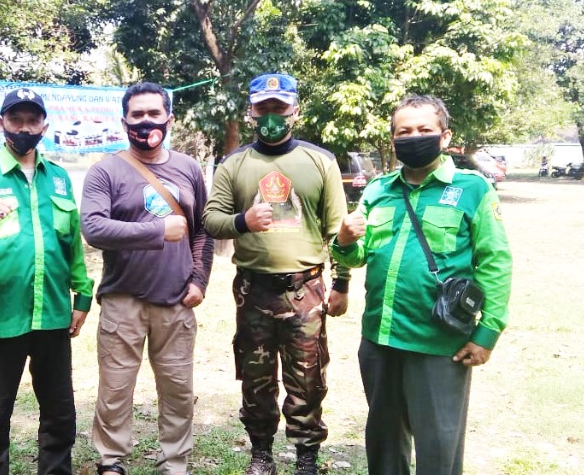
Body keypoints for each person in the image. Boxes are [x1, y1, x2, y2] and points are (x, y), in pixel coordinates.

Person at [331, 95, 512, 474]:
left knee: (439, 448)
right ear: (393, 139)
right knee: (383, 443)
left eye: (424, 130)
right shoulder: (378, 189)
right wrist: (344, 241)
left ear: (445, 137)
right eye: (404, 132)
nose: (414, 137)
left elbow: (495, 262)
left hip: (439, 343)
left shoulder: (472, 189)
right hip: (380, 339)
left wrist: (487, 332)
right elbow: (358, 255)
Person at [203, 73, 350, 475]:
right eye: (263, 107)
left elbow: (339, 231)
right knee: (256, 378)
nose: (271, 115)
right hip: (254, 291)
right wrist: (243, 221)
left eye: (279, 108)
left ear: (294, 111)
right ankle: (261, 455)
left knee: (308, 378)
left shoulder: (321, 161)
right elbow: (211, 220)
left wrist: (342, 283)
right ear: (251, 112)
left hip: (306, 290)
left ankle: (306, 459)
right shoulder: (234, 164)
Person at [0, 87, 94, 475]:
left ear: (44, 125)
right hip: (0, 318)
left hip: (53, 315)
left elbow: (71, 243)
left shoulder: (58, 178)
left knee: (60, 414)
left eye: (32, 120)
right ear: (1, 123)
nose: (24, 128)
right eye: (16, 119)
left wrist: (82, 296)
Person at [81, 82, 214, 475]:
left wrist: (199, 279)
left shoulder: (188, 168)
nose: (145, 122)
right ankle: (111, 459)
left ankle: (174, 461)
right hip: (123, 299)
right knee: (115, 387)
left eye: (154, 114)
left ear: (169, 119)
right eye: (137, 115)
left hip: (176, 299)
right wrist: (157, 231)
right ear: (124, 122)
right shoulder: (105, 170)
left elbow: (203, 229)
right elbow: (93, 228)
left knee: (178, 389)